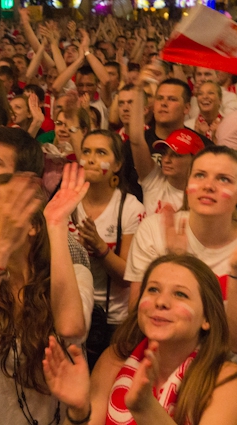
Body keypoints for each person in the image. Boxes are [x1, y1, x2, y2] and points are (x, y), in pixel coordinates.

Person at [124, 146, 237, 425]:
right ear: (188, 186)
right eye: (200, 175)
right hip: (154, 389)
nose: (209, 185)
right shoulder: (155, 230)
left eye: (223, 179)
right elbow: (140, 317)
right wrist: (176, 260)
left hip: (223, 393)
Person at [0, 167, 94, 425]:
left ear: (33, 226)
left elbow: (71, 329)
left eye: (2, 212)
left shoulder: (76, 274)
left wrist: (56, 225)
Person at [43, 255, 237, 425]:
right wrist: (78, 411)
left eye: (180, 294)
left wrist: (146, 409)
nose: (161, 301)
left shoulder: (226, 379)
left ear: (207, 318)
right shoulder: (114, 358)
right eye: (153, 289)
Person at [70, 130, 145, 367]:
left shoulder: (130, 208)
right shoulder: (66, 203)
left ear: (117, 165)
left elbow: (127, 278)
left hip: (113, 320)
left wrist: (100, 247)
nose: (91, 159)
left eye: (101, 153)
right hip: (72, 311)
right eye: (86, 152)